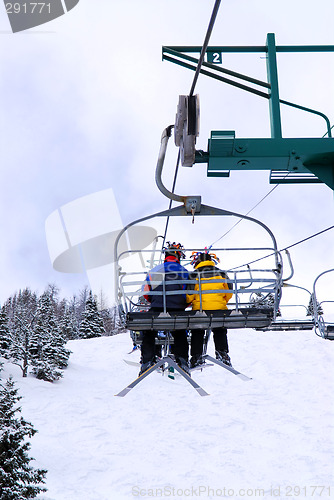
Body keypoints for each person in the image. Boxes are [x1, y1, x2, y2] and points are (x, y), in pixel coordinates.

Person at [139, 242, 190, 375]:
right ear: (178, 256)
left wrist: (154, 301)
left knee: (149, 330)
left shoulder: (155, 270)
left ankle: (147, 360)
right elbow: (190, 294)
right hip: (177, 309)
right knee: (180, 331)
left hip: (157, 307)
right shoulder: (184, 272)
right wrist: (183, 304)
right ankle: (182, 359)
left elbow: (146, 291)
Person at [186, 251, 233, 368]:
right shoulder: (222, 273)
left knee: (197, 331)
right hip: (219, 309)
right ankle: (222, 353)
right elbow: (229, 291)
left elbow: (189, 295)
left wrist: (190, 302)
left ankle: (196, 356)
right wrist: (221, 301)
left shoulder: (193, 275)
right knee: (220, 329)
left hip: (200, 310)